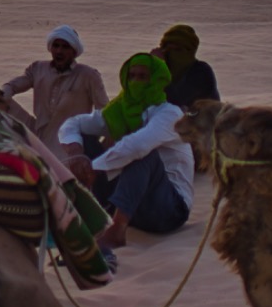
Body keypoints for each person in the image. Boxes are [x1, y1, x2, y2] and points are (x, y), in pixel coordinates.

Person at [58, 53, 193, 248]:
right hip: (130, 204)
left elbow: (138, 146)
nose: (135, 82)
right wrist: (75, 153)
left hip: (168, 209)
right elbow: (73, 123)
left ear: (156, 80)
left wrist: (93, 167)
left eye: (142, 77)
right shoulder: (119, 110)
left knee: (143, 154)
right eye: (132, 76)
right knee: (84, 140)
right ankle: (92, 212)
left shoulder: (169, 113)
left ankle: (117, 230)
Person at [0, 25, 107, 164]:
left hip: (69, 142)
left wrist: (90, 141)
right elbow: (12, 86)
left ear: (74, 51)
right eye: (56, 46)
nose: (59, 51)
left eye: (65, 47)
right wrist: (1, 94)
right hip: (37, 133)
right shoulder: (38, 69)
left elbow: (103, 110)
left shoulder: (88, 75)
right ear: (50, 48)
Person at [155, 24, 218, 111]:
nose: (172, 54)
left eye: (178, 50)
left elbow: (176, 101)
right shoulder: (152, 69)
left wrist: (160, 68)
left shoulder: (201, 71)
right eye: (166, 49)